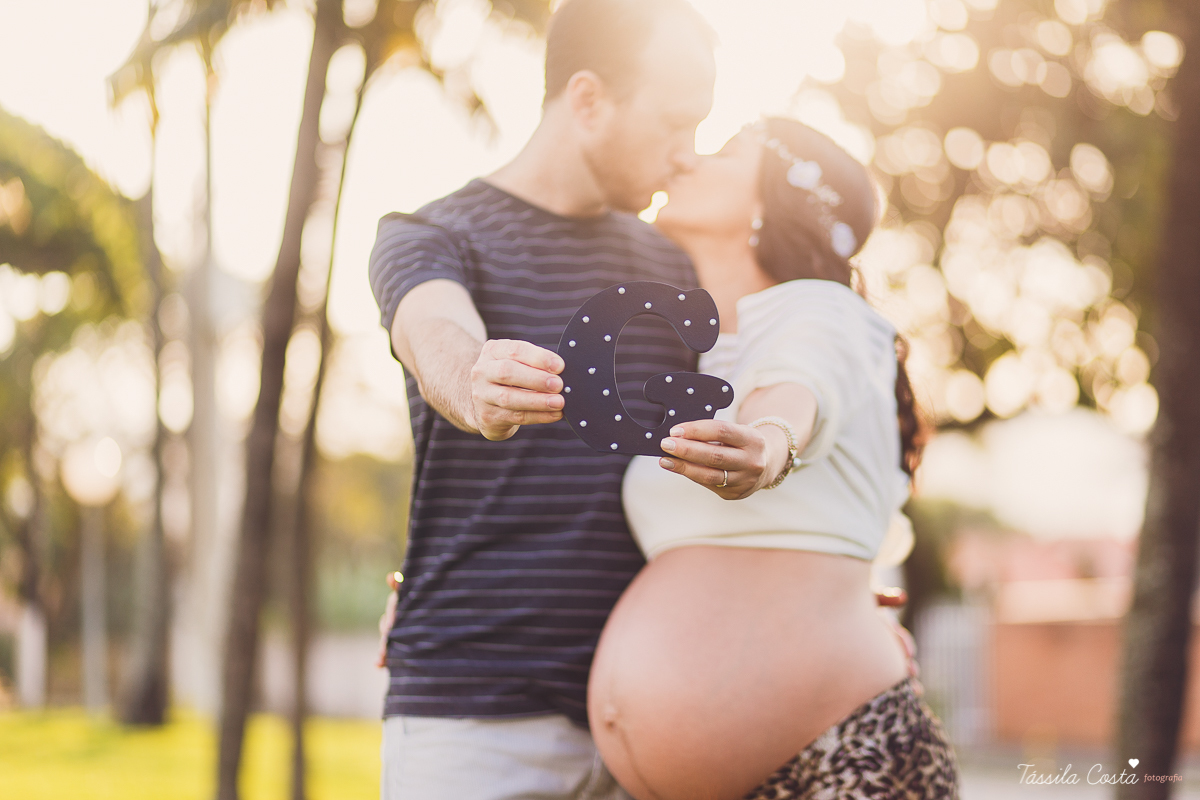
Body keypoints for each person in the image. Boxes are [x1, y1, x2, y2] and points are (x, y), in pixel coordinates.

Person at [367, 2, 767, 798]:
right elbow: (435, 335)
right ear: (587, 101)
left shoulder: (674, 269)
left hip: (647, 728)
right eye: (675, 123)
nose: (687, 156)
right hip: (473, 728)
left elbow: (758, 417)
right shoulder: (432, 237)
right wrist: (476, 376)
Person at [587, 119, 961, 800]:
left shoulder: (824, 311)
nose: (686, 159)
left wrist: (768, 442)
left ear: (767, 205)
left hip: (843, 759)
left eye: (724, 152)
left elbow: (795, 389)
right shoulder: (691, 357)